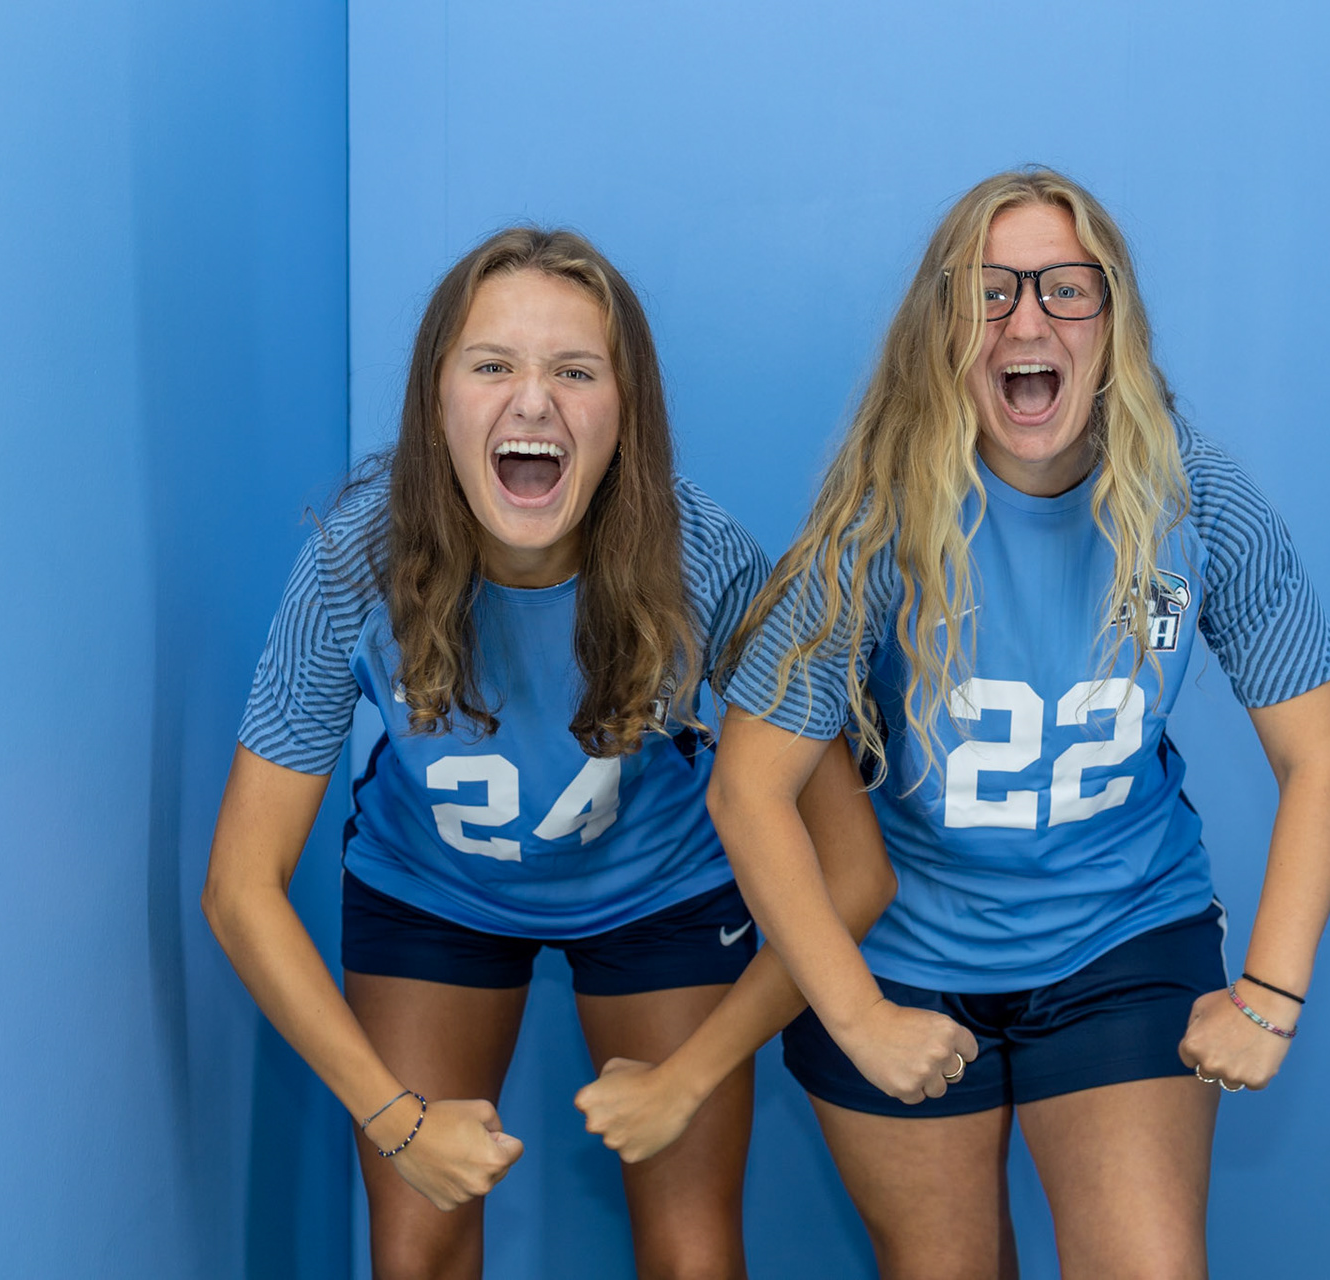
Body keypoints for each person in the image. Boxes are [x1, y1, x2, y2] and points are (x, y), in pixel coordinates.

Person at [202, 226, 891, 1280]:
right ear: (437, 403)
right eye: (493, 366)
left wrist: (693, 1075)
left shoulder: (699, 554)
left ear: (627, 413)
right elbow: (240, 886)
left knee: (696, 1252)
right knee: (417, 1245)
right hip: (434, 886)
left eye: (576, 370)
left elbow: (851, 868)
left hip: (659, 885)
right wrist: (393, 1116)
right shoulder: (355, 560)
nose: (534, 402)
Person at [706, 168, 1330, 1279]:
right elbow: (746, 786)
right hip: (908, 949)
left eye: (1066, 288)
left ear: (1113, 321)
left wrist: (1271, 993)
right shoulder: (874, 525)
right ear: (943, 327)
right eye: (990, 290)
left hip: (1119, 933)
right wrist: (859, 1017)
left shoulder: (1194, 501)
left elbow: (1322, 756)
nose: (1028, 318)